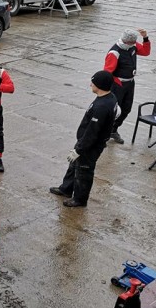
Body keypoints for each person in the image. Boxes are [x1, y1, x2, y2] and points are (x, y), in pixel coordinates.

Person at [49, 71, 118, 207]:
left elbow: (92, 133)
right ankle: (66, 188)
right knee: (74, 166)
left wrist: (79, 149)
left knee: (84, 171)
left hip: (90, 146)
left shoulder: (102, 107)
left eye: (93, 82)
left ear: (100, 85)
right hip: (84, 142)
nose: (90, 84)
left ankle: (80, 199)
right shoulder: (109, 97)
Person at [104, 28, 151, 144]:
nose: (134, 45)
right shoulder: (114, 52)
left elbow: (146, 52)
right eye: (131, 43)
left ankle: (113, 130)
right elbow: (107, 72)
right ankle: (103, 135)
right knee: (113, 111)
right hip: (117, 84)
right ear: (126, 41)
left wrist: (145, 38)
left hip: (130, 83)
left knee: (126, 109)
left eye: (134, 43)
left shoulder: (133, 46)